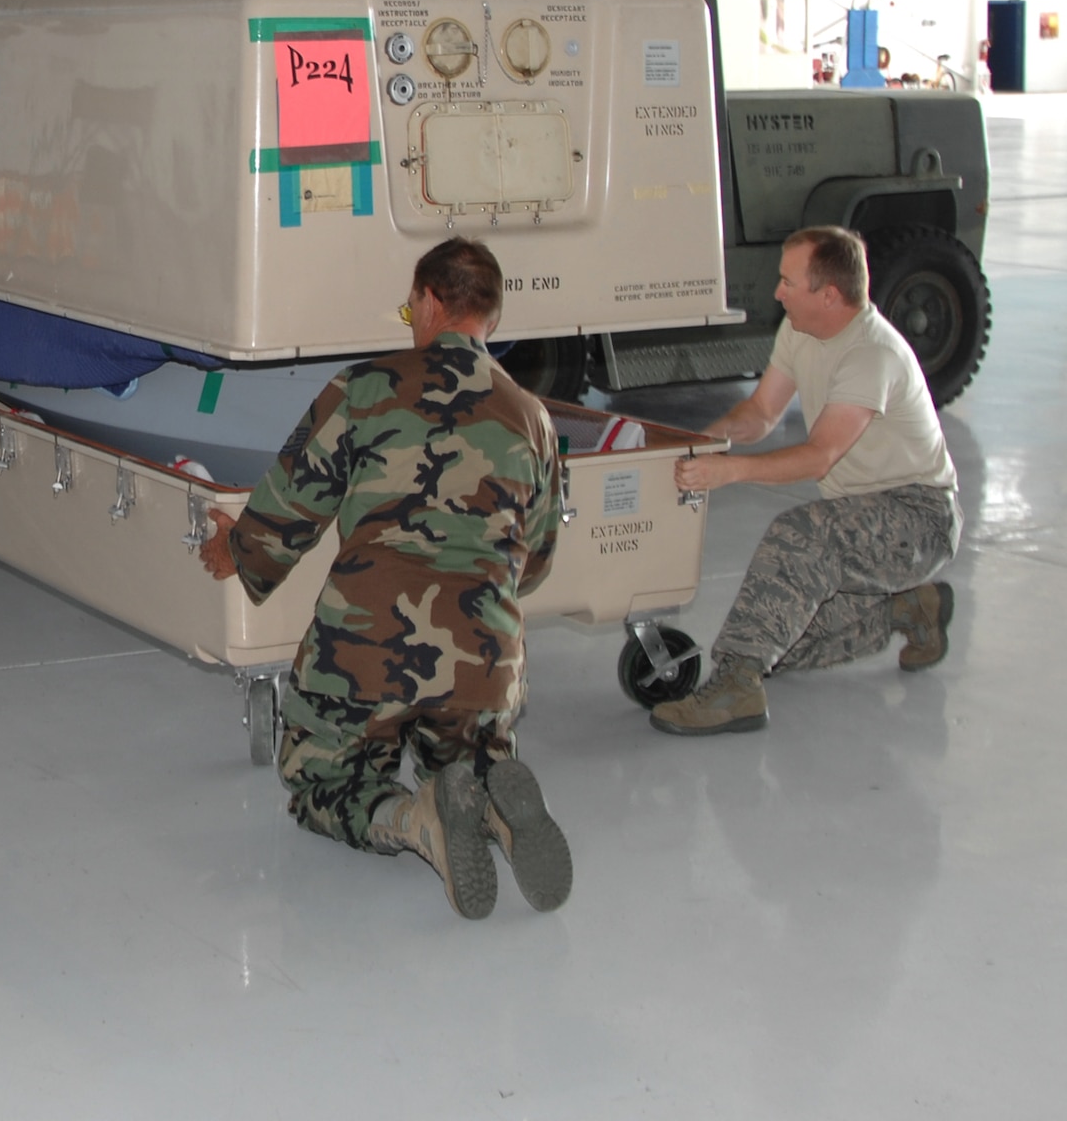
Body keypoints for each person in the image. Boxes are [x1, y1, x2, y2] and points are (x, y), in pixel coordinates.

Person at [199, 238, 568, 920]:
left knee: (322, 783)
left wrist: (234, 549)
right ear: (492, 315)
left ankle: (414, 823)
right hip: (485, 661)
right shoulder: (532, 417)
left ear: (428, 301)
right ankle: (488, 797)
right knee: (460, 759)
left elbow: (289, 507)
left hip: (365, 651)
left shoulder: (364, 388)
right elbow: (538, 557)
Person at [651, 226, 962, 736]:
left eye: (787, 282)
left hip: (918, 518)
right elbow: (760, 412)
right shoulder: (800, 329)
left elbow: (820, 456)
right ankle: (910, 606)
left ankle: (736, 687)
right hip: (861, 517)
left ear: (829, 295)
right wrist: (702, 443)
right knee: (787, 646)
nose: (777, 292)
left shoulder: (871, 355)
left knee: (801, 534)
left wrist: (731, 472)